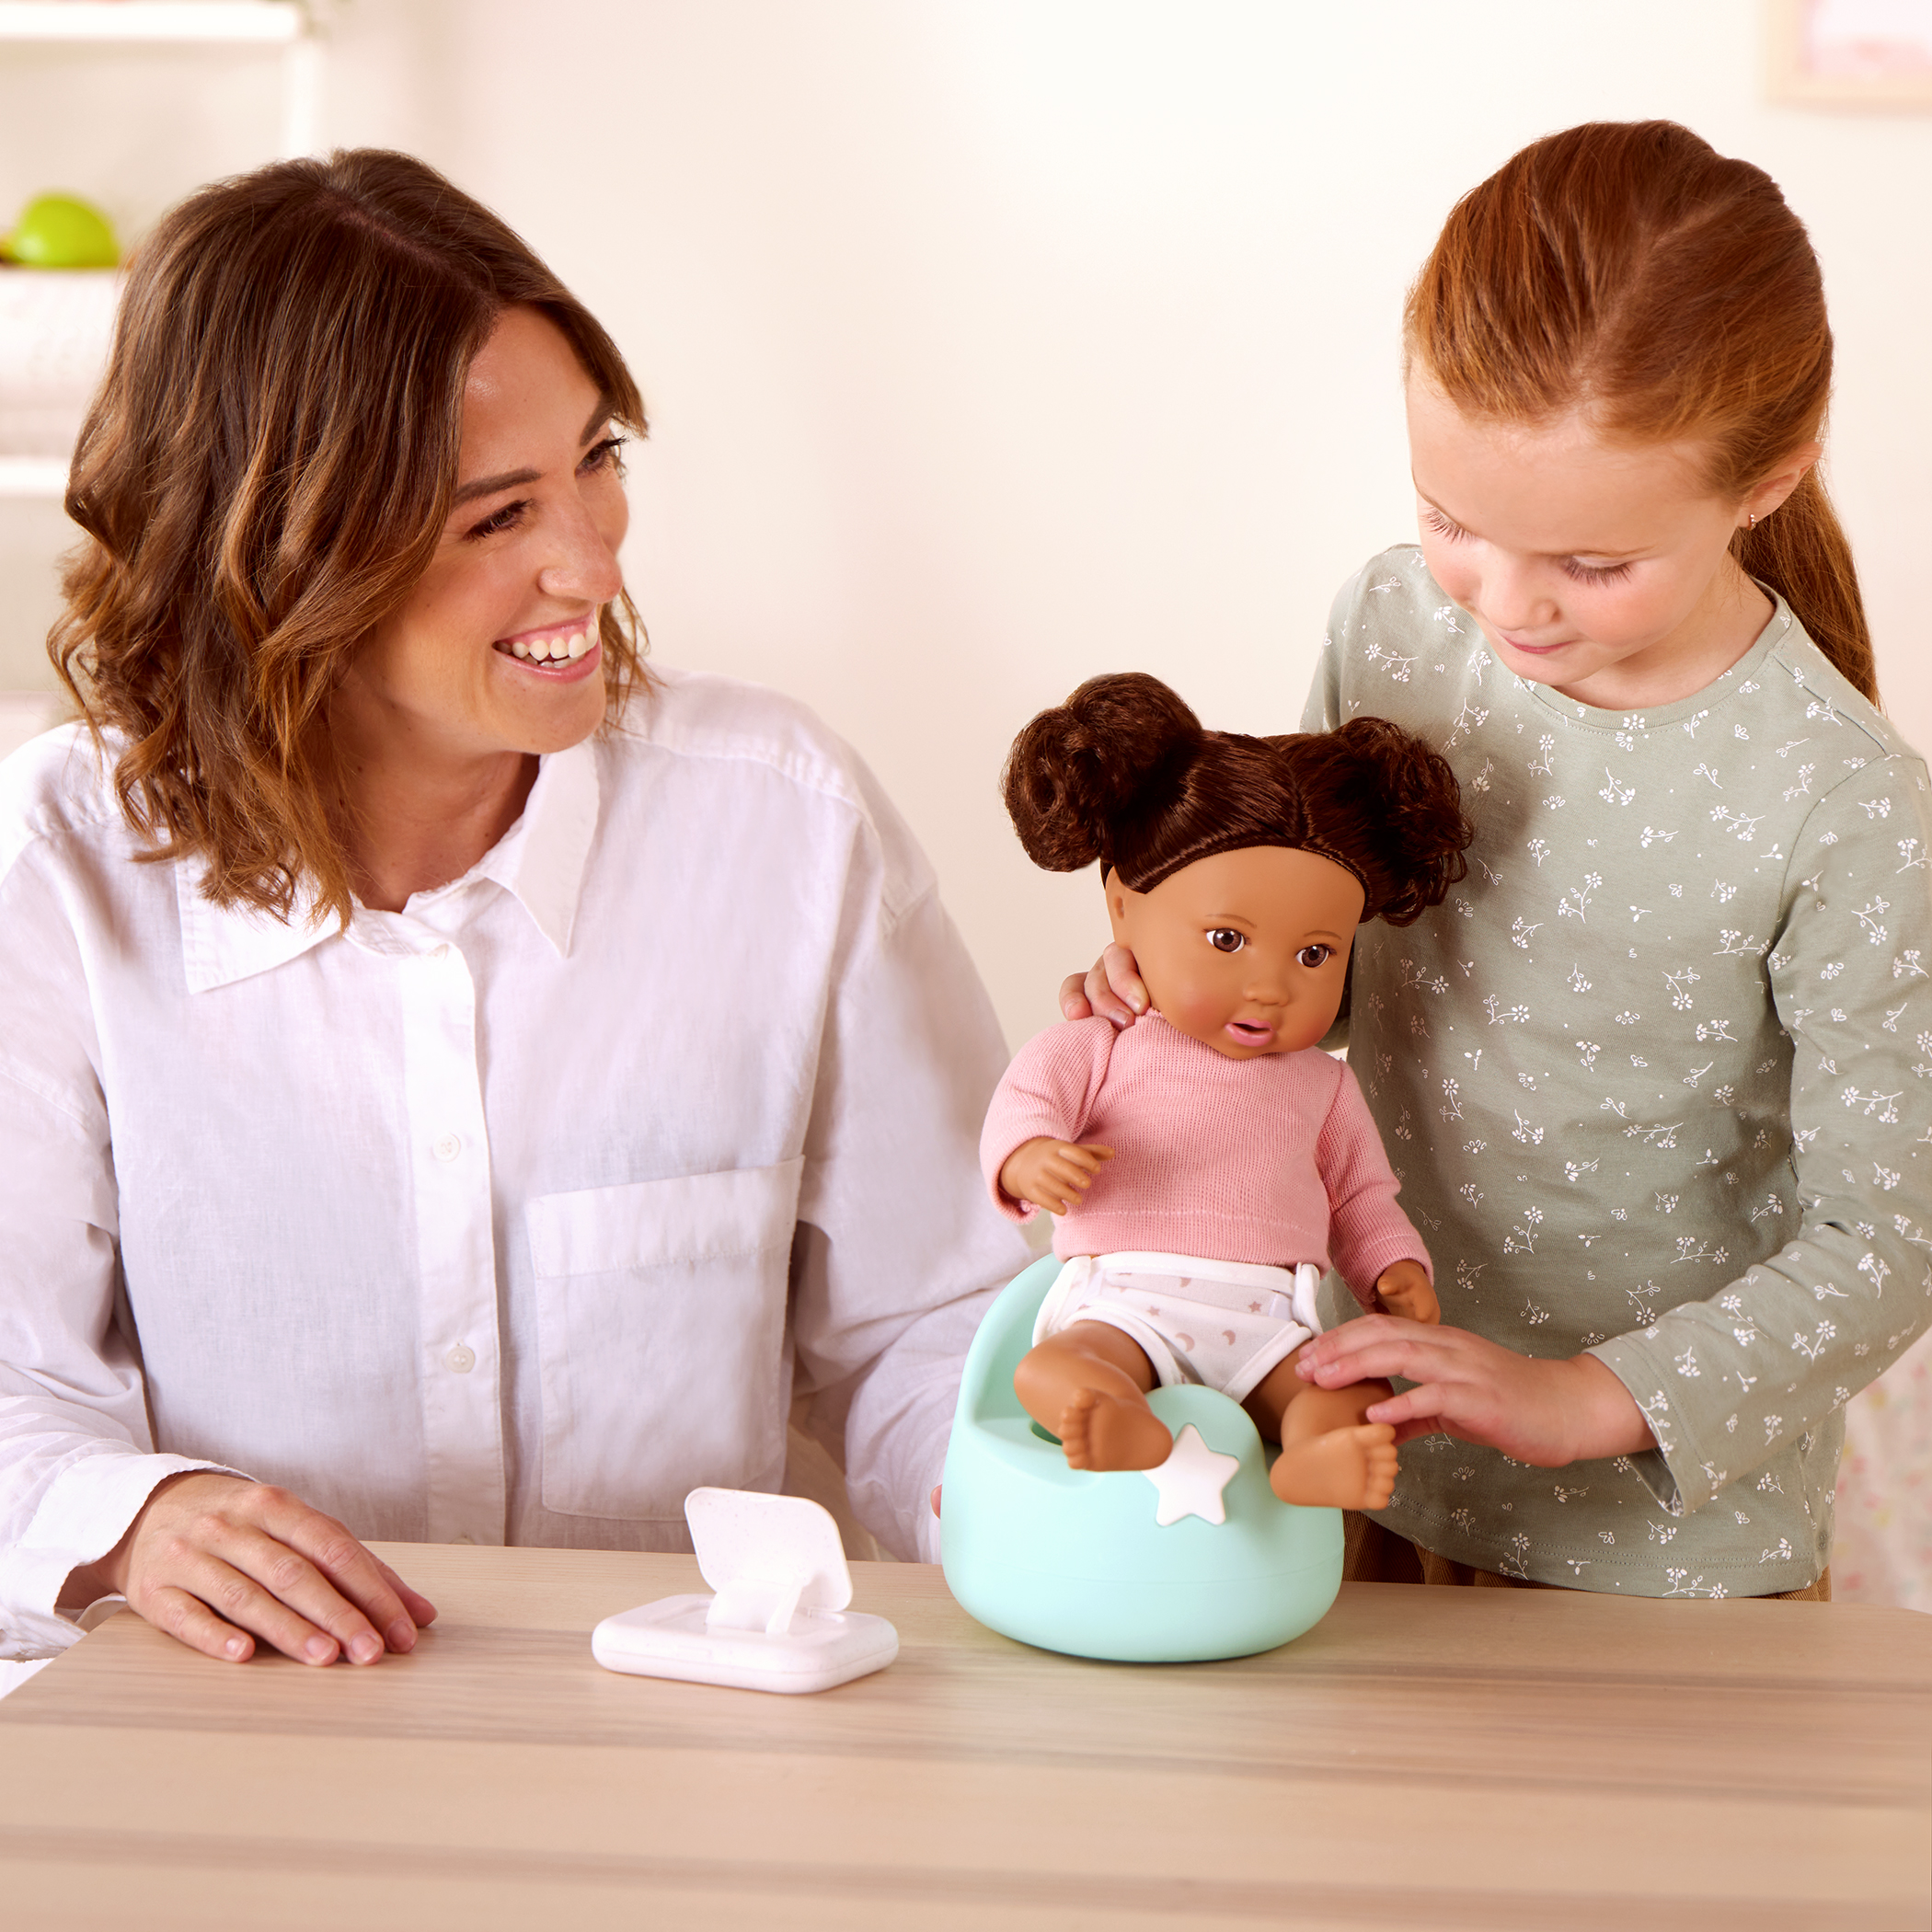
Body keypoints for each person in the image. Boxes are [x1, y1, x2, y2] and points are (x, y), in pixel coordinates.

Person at [0, 150, 1028, 1672]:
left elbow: (921, 1323)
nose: (591, 562)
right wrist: (136, 1518)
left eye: (596, 461)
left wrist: (1031, 1492)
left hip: (687, 1737)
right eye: (497, 518)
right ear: (281, 550)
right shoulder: (57, 870)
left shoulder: (787, 823)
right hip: (235, 1742)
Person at [1067, 121, 1932, 1597]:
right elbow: (1334, 963)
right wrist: (1207, 988)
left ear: (1769, 476)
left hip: (1669, 1547)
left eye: (1595, 566)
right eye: (1452, 519)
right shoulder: (1396, 623)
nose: (1508, 607)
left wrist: (1579, 1397)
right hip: (1341, 1442)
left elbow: (1890, 1235)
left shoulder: (1844, 804)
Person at [980, 674, 1467, 1511]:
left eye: (1315, 955)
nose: (1271, 988)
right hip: (1130, 1298)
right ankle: (1111, 1416)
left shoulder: (1324, 1085)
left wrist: (1394, 1266)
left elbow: (1361, 1196)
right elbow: (1026, 1100)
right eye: (1227, 940)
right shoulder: (1105, 1041)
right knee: (1055, 1367)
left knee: (1346, 1395)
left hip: (1272, 1316)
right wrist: (1029, 1161)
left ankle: (1318, 1457)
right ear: (1124, 910)